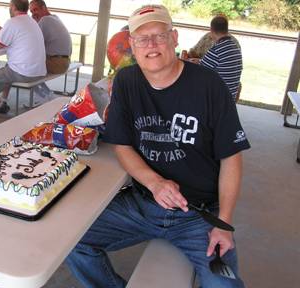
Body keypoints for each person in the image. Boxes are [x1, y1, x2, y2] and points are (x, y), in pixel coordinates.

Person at [66, 4, 249, 288]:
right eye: (142, 38)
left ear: (174, 38)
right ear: (132, 46)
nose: (151, 45)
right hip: (142, 204)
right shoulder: (126, 81)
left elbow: (231, 158)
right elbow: (122, 145)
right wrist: (154, 183)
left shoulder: (209, 86)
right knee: (70, 240)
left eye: (159, 35)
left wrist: (223, 223)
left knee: (224, 285)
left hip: (199, 215)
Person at [0, 0, 46, 113]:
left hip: (23, 72)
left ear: (13, 7)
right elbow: (14, 35)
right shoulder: (31, 21)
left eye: (9, 5)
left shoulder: (13, 22)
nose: (9, 8)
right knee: (9, 66)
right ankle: (3, 99)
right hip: (39, 71)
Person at [29, 0, 72, 101]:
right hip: (64, 62)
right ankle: (48, 94)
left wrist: (34, 23)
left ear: (44, 8)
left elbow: (31, 43)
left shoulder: (44, 21)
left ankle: (44, 97)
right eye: (31, 11)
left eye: (35, 10)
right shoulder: (55, 17)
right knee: (29, 65)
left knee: (24, 67)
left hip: (57, 63)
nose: (33, 13)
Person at [199, 15, 243, 101]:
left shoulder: (216, 49)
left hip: (217, 100)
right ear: (226, 29)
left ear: (211, 31)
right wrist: (200, 61)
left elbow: (200, 72)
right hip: (230, 98)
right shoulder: (235, 47)